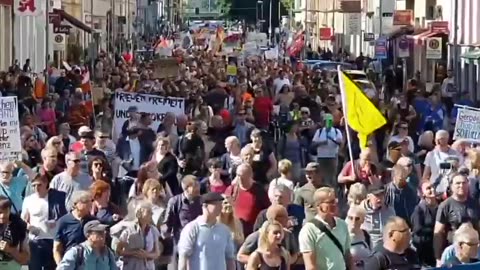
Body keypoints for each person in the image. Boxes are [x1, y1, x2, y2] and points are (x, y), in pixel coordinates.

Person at [178, 192, 236, 270]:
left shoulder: (224, 230)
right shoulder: (192, 228)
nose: (220, 207)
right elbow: (183, 258)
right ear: (205, 206)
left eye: (221, 204)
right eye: (216, 204)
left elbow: (230, 258)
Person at [299, 187, 352, 270]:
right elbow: (310, 265)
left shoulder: (342, 225)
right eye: (330, 202)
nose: (334, 205)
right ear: (318, 206)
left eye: (335, 201)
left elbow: (348, 256)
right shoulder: (308, 230)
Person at [21, 174, 67, 270]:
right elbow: (23, 220)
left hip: (53, 240)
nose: (36, 188)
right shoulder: (29, 200)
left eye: (39, 185)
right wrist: (29, 227)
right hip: (35, 240)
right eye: (33, 186)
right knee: (34, 267)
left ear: (46, 184)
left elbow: (65, 216)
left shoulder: (57, 198)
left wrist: (56, 222)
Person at [434, 174, 480, 264]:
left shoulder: (475, 204)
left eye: (464, 183)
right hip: (454, 251)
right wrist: (438, 257)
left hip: (475, 250)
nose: (461, 185)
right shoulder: (445, 206)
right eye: (457, 183)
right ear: (451, 186)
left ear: (468, 184)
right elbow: (438, 233)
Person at [114, 200, 161, 270]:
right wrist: (134, 253)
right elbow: (119, 251)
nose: (152, 214)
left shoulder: (153, 231)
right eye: (148, 212)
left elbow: (157, 253)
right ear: (139, 214)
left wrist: (146, 255)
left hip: (148, 267)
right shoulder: (129, 230)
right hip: (132, 266)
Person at [225, 163, 270, 236]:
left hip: (252, 232)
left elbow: (267, 211)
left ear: (250, 175)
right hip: (235, 232)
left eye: (243, 176)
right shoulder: (231, 190)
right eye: (238, 175)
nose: (240, 179)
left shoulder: (259, 191)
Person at [53, 190, 96, 264]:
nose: (90, 204)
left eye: (90, 201)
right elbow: (57, 248)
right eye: (86, 201)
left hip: (90, 262)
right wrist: (60, 266)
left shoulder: (94, 221)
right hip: (71, 261)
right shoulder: (63, 221)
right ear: (76, 204)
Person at [411, 181, 438, 267]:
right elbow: (417, 229)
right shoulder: (419, 209)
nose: (432, 189)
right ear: (423, 193)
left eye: (433, 187)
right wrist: (436, 229)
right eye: (428, 188)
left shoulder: (441, 205)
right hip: (424, 247)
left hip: (439, 244)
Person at [361, 184, 396, 248]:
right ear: (368, 196)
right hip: (367, 249)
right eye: (376, 195)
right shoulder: (360, 211)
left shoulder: (390, 211)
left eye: (382, 195)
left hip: (385, 249)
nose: (379, 198)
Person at [0, 196, 30, 270]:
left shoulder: (19, 227)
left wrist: (10, 249)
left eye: (5, 211)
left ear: (10, 210)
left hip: (11, 266)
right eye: (0, 212)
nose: (2, 216)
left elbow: (25, 258)